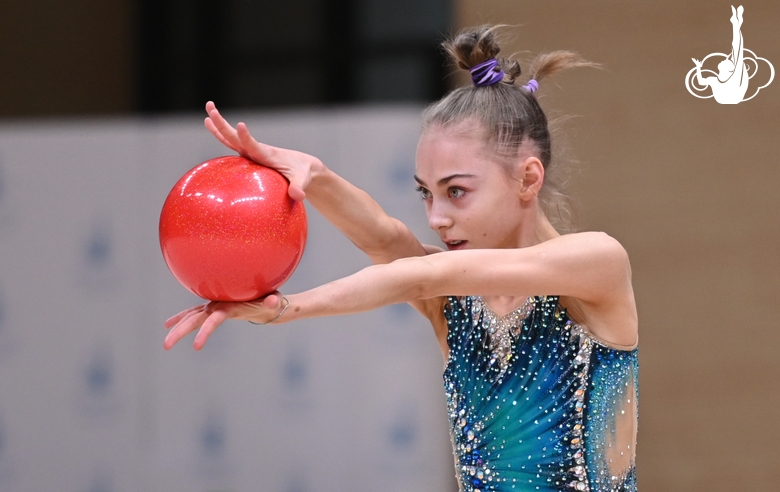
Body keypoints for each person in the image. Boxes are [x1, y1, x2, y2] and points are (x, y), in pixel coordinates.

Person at [164, 25, 639, 492]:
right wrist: (317, 176)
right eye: (426, 194)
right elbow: (386, 240)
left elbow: (418, 273)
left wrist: (288, 308)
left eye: (457, 191)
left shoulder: (594, 263)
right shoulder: (455, 302)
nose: (437, 218)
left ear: (528, 179)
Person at [692, 5, 748, 104]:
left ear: (729, 69)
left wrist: (698, 68)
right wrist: (698, 67)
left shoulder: (730, 77)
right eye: (728, 60)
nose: (724, 59)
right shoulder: (716, 79)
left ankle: (736, 24)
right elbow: (701, 82)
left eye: (727, 61)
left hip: (731, 96)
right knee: (737, 52)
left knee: (737, 51)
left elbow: (737, 49)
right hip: (730, 97)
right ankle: (736, 23)